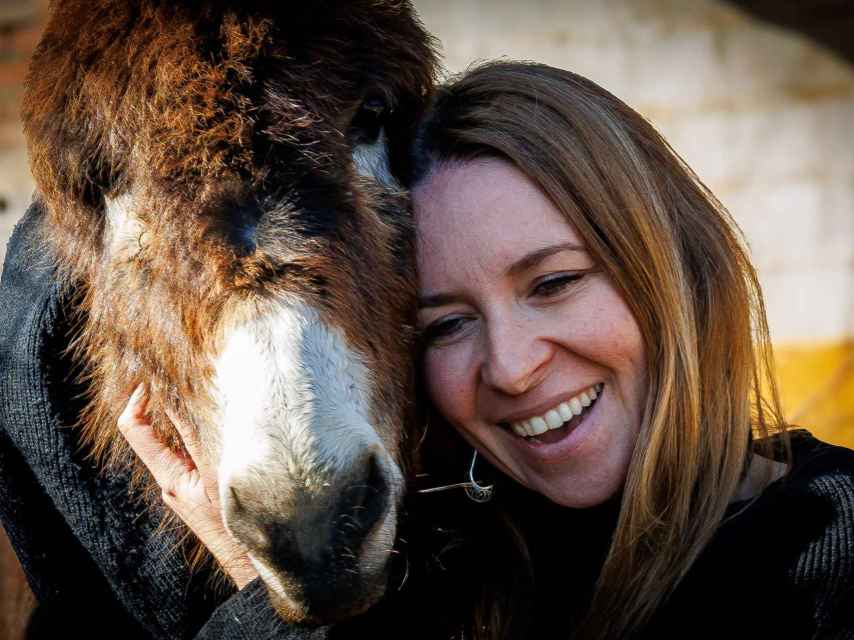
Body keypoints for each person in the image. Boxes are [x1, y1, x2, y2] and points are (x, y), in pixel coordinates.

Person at [88, 61, 854, 638]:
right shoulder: (436, 582)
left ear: (673, 268)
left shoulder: (835, 551)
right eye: (446, 325)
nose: (514, 367)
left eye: (554, 283)